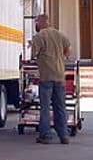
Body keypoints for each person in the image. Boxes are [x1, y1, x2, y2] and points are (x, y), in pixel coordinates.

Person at [29, 14, 72, 145]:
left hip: (46, 76)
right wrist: (61, 58)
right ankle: (64, 135)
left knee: (45, 107)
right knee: (60, 107)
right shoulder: (59, 35)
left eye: (36, 22)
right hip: (60, 75)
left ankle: (45, 135)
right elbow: (68, 51)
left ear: (39, 23)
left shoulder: (39, 36)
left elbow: (33, 54)